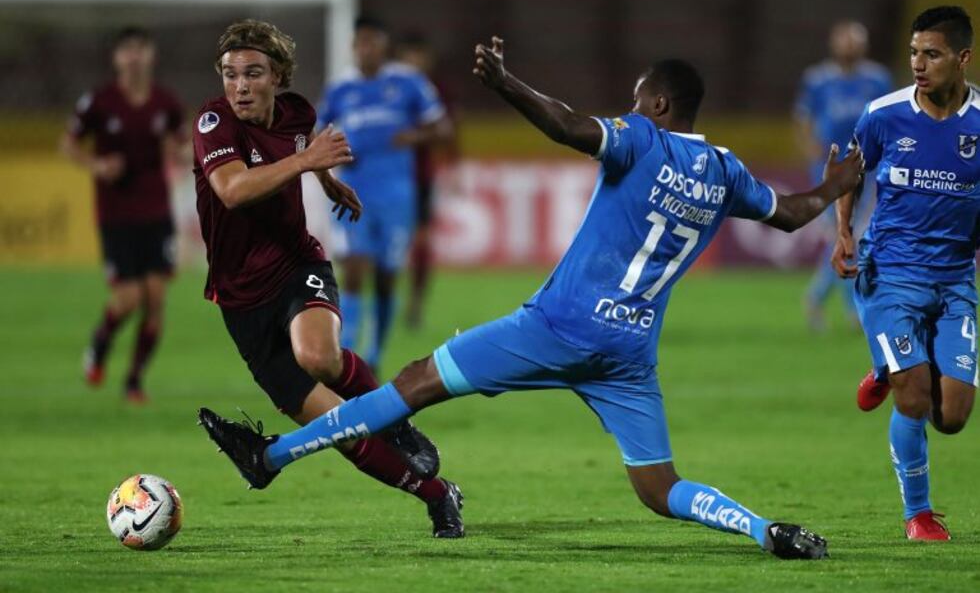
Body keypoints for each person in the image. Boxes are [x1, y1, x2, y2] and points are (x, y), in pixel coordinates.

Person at [200, 36, 865, 558]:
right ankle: (762, 530)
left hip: (556, 328)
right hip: (629, 354)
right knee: (660, 490)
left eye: (638, 98)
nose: (631, 107)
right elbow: (793, 211)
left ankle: (271, 457)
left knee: (413, 382)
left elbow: (570, 127)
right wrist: (837, 185)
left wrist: (504, 84)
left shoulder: (641, 140)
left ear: (658, 105)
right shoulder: (725, 169)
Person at [191, 19, 463, 538]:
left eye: (253, 74)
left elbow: (303, 140)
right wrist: (307, 162)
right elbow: (231, 191)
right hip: (240, 298)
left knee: (318, 355)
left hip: (297, 265)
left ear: (278, 78)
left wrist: (326, 178)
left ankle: (399, 423)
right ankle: (439, 494)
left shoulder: (299, 113)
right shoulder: (214, 124)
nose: (240, 86)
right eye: (230, 75)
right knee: (338, 430)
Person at [833, 6, 978, 541]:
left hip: (957, 278)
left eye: (932, 54)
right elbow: (852, 171)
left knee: (954, 416)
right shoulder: (884, 113)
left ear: (962, 58)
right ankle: (919, 515)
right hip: (890, 270)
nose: (919, 64)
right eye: (915, 53)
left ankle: (882, 369)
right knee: (914, 397)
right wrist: (844, 231)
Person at [315, 16, 453, 370]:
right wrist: (331, 158)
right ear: (352, 46)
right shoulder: (339, 90)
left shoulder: (408, 83)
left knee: (387, 276)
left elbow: (442, 127)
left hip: (397, 195)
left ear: (384, 45)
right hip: (353, 190)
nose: (367, 49)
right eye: (360, 42)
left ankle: (373, 354)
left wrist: (413, 137)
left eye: (373, 41)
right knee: (355, 266)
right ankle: (346, 354)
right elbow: (316, 135)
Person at [62, 26, 187, 403]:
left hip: (156, 211)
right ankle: (100, 344)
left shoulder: (165, 102)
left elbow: (184, 148)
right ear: (117, 58)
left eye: (140, 49)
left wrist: (181, 154)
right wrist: (98, 165)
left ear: (151, 55)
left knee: (155, 298)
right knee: (129, 298)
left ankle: (134, 381)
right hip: (116, 213)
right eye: (127, 50)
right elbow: (68, 144)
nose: (134, 56)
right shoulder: (100, 101)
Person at [795, 21, 892, 331]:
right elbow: (803, 118)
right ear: (834, 44)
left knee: (854, 236)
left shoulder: (878, 79)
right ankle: (849, 309)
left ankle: (820, 299)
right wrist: (812, 153)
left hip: (867, 165)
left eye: (855, 42)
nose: (850, 47)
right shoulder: (817, 79)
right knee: (846, 235)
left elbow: (890, 120)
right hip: (831, 166)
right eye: (845, 41)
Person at [397, 32, 460, 329]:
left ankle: (416, 304)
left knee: (421, 241)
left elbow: (450, 130)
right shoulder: (390, 88)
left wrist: (453, 166)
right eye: (409, 56)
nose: (415, 62)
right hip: (385, 178)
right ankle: (377, 303)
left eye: (419, 56)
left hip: (420, 177)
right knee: (378, 247)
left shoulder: (436, 90)